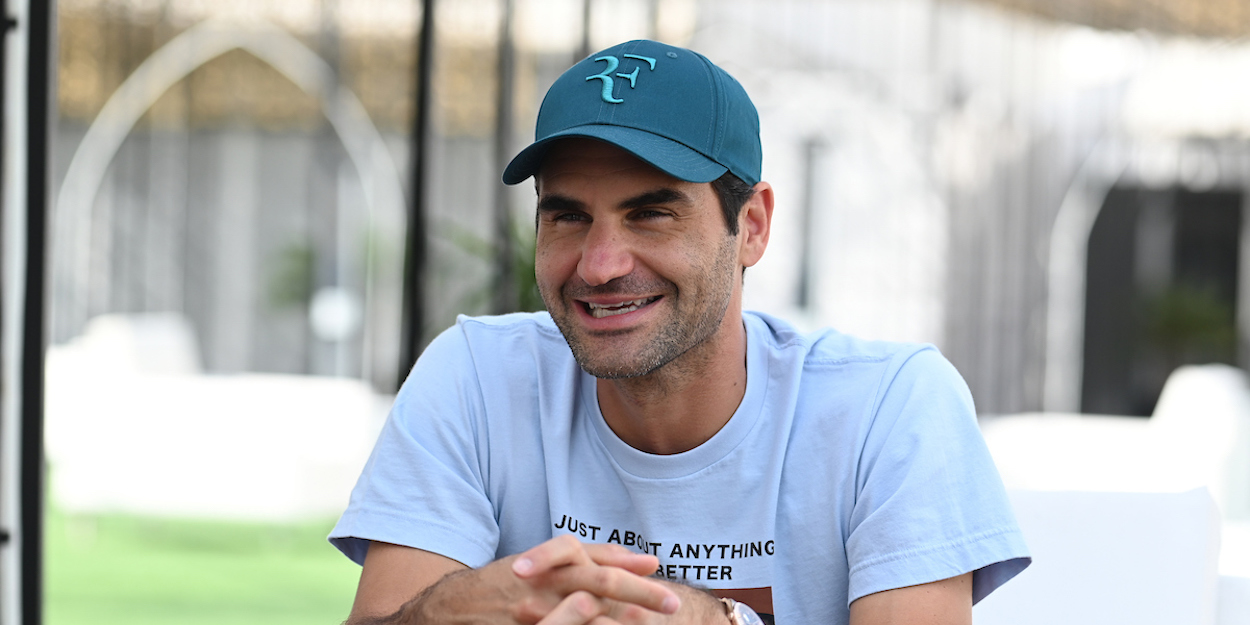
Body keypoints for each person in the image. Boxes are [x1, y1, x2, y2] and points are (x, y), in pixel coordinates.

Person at [330, 39, 1030, 625]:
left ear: (750, 226)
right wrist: (446, 608)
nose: (600, 266)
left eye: (651, 213)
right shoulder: (476, 375)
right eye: (567, 215)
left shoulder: (888, 405)